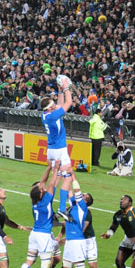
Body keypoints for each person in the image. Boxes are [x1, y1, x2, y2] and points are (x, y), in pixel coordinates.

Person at [16, 164, 61, 268]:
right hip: (43, 236)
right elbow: (52, 183)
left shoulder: (34, 202)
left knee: (29, 260)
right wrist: (56, 169)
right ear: (41, 193)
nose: (44, 188)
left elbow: (44, 183)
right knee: (46, 263)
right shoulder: (46, 200)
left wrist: (48, 168)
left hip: (33, 234)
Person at [60, 178, 103, 268]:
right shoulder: (74, 206)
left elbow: (76, 189)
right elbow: (69, 191)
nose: (81, 194)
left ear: (85, 200)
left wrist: (73, 177)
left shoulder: (82, 208)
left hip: (77, 241)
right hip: (70, 240)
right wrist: (66, 177)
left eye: (84, 195)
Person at [40, 76, 74, 220]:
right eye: (52, 106)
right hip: (59, 149)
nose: (55, 106)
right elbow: (69, 102)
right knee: (68, 175)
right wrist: (66, 88)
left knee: (57, 177)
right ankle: (61, 208)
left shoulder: (45, 115)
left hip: (52, 150)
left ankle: (50, 209)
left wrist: (60, 91)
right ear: (49, 109)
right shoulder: (53, 116)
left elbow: (59, 104)